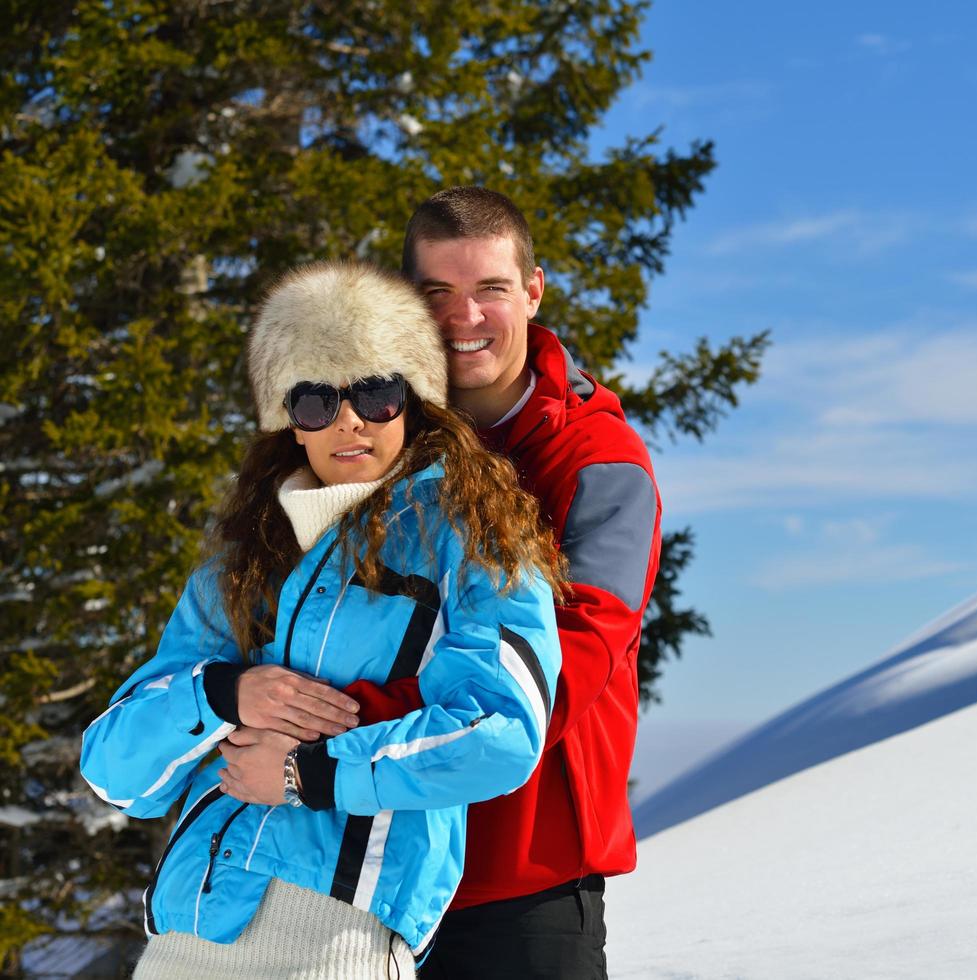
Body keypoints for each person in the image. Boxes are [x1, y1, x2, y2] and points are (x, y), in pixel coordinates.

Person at [79, 262, 565, 978]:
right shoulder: (239, 566)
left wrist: (310, 772)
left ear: (415, 402)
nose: (348, 420)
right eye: (315, 401)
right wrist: (221, 696)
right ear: (289, 423)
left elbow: (502, 732)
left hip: (340, 938)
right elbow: (116, 774)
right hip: (184, 935)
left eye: (375, 393)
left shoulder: (474, 539)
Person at [396, 187, 663, 979]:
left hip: (523, 878)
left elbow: (564, 673)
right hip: (378, 865)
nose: (462, 317)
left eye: (489, 290)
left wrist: (342, 732)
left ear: (534, 290)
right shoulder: (370, 440)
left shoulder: (597, 463)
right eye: (436, 293)